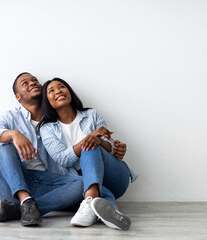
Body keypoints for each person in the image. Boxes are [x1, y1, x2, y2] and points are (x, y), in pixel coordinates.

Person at [0, 72, 129, 227]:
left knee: (85, 179)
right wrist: (14, 134)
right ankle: (25, 201)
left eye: (34, 81)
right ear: (18, 97)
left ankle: (23, 210)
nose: (32, 83)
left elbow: (109, 144)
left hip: (53, 182)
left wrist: (111, 146)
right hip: (20, 180)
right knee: (3, 145)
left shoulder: (70, 119)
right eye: (25, 83)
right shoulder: (14, 118)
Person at [38, 78, 138, 231]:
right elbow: (62, 159)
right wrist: (91, 137)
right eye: (51, 90)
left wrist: (98, 141)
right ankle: (110, 214)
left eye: (62, 87)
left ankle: (88, 201)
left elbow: (110, 147)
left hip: (115, 176)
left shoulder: (92, 114)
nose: (58, 91)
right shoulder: (47, 128)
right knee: (89, 144)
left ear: (69, 92)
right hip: (81, 180)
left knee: (89, 146)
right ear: (47, 101)